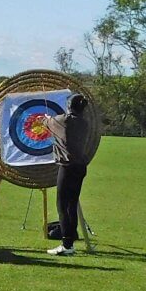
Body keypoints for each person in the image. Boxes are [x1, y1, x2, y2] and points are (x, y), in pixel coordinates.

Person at [43, 93, 91, 256]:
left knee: (62, 206)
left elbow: (46, 122)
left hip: (68, 167)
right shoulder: (84, 123)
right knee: (71, 204)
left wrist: (46, 118)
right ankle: (70, 240)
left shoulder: (62, 120)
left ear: (69, 106)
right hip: (80, 167)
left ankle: (66, 244)